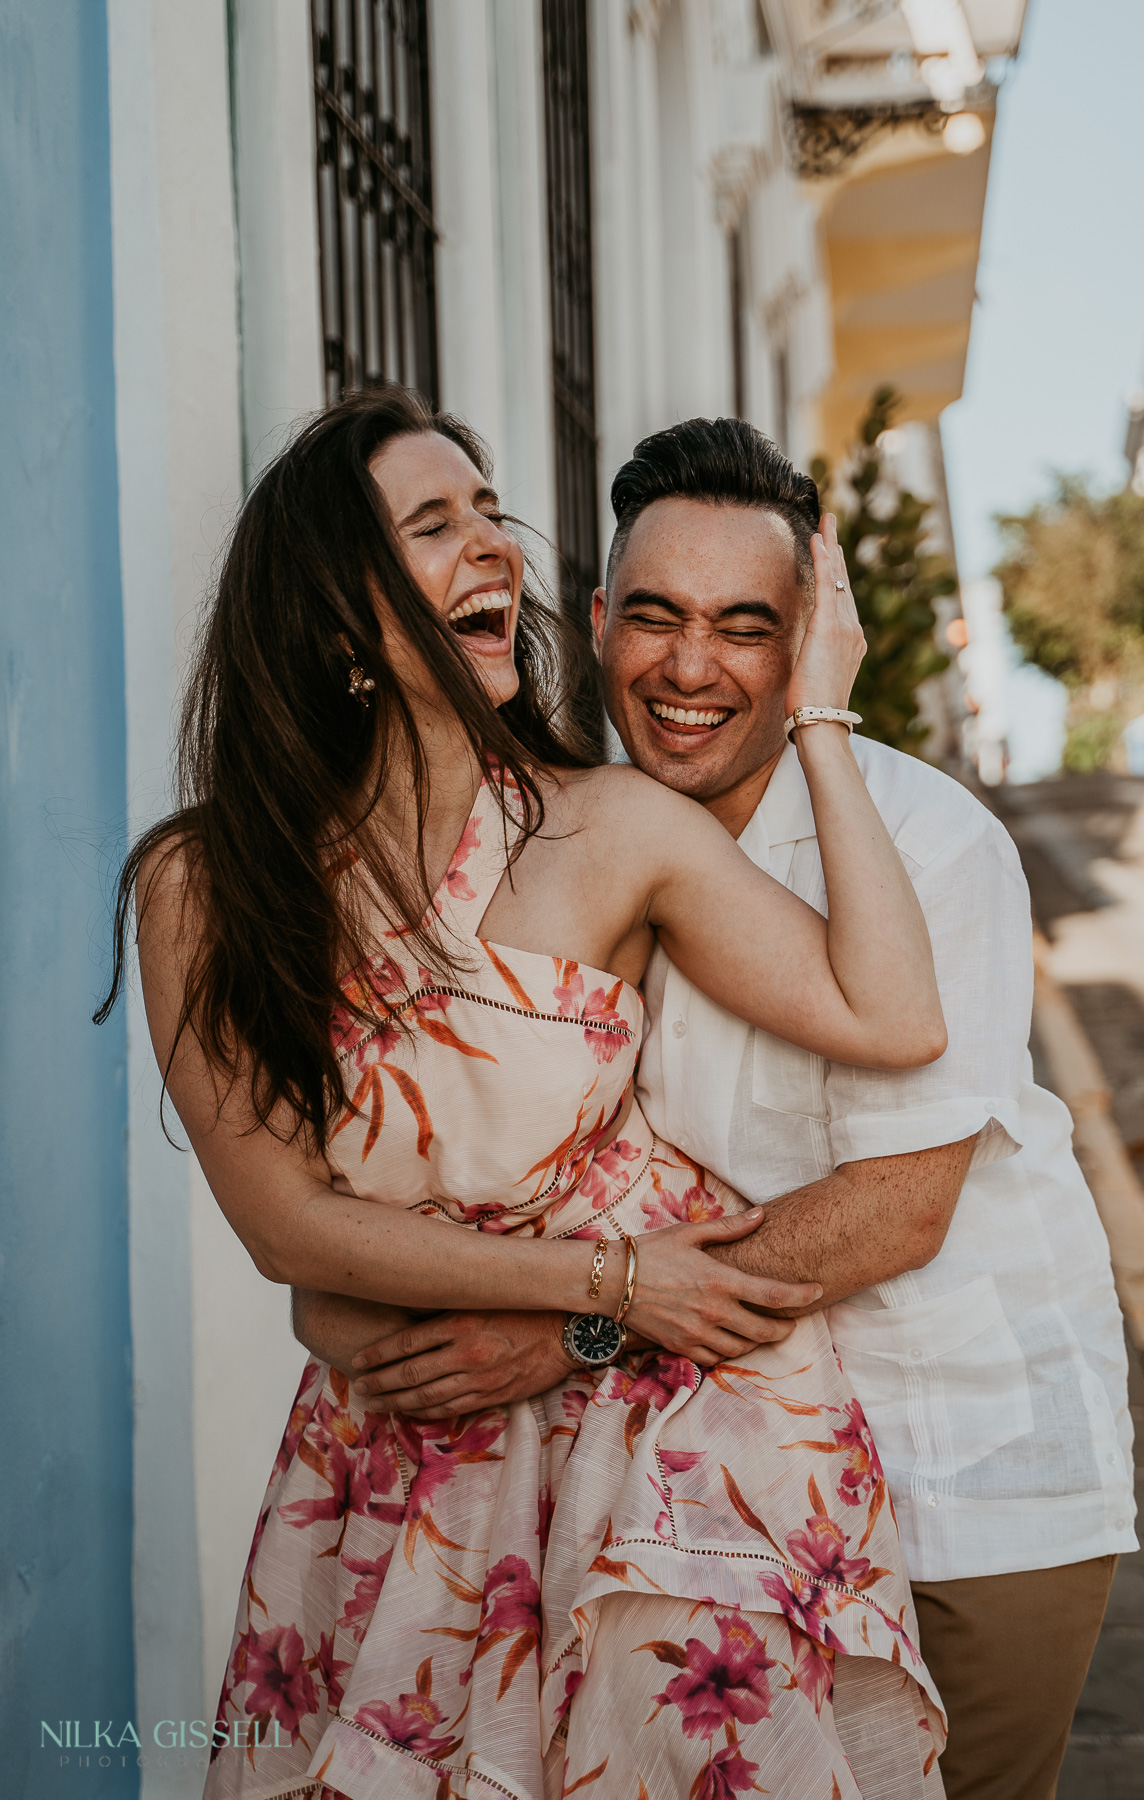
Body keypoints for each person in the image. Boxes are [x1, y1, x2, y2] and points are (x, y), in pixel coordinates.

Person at [108, 387, 953, 1800]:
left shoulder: (617, 827)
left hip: (655, 1440)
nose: (493, 545)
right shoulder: (206, 887)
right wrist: (615, 1280)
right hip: (399, 1443)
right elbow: (284, 1228)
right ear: (334, 615)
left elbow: (893, 1012)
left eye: (491, 511)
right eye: (435, 523)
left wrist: (818, 708)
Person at [308, 418, 1139, 1800]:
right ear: (595, 621)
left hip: (960, 1469)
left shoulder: (929, 844)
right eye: (654, 616)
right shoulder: (574, 842)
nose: (691, 667)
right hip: (697, 1488)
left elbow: (894, 1211)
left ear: (807, 644)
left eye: (747, 627)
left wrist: (564, 1327)